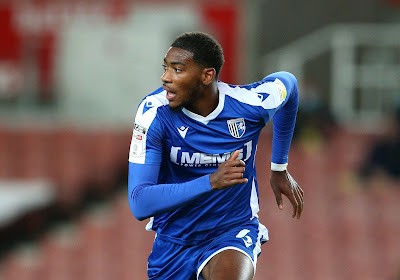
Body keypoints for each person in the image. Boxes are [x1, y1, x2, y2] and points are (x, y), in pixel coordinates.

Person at [128, 31, 304, 280]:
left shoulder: (249, 105)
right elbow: (139, 202)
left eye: (177, 70)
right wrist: (211, 182)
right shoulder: (154, 114)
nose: (165, 78)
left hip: (231, 231)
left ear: (207, 75)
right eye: (165, 68)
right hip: (174, 241)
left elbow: (289, 84)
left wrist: (279, 166)